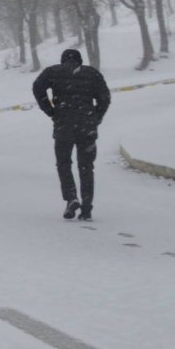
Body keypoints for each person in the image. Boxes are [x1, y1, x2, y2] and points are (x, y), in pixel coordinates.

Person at [32, 49, 111, 221]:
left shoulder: (53, 72)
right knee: (86, 167)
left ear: (63, 61)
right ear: (80, 61)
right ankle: (87, 207)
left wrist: (50, 111)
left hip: (63, 125)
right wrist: (96, 116)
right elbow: (105, 97)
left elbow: (37, 88)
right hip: (87, 127)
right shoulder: (92, 74)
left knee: (63, 163)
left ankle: (71, 197)